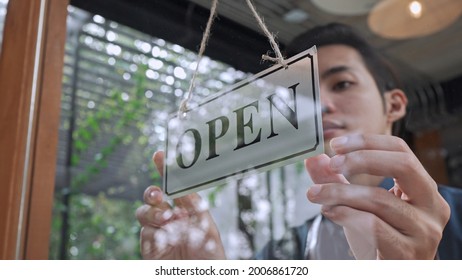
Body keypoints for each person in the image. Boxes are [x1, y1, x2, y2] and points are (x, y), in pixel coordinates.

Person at [136, 23, 462, 260]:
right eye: (303, 95)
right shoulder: (280, 254)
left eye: (343, 84)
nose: (320, 105)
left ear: (393, 104)